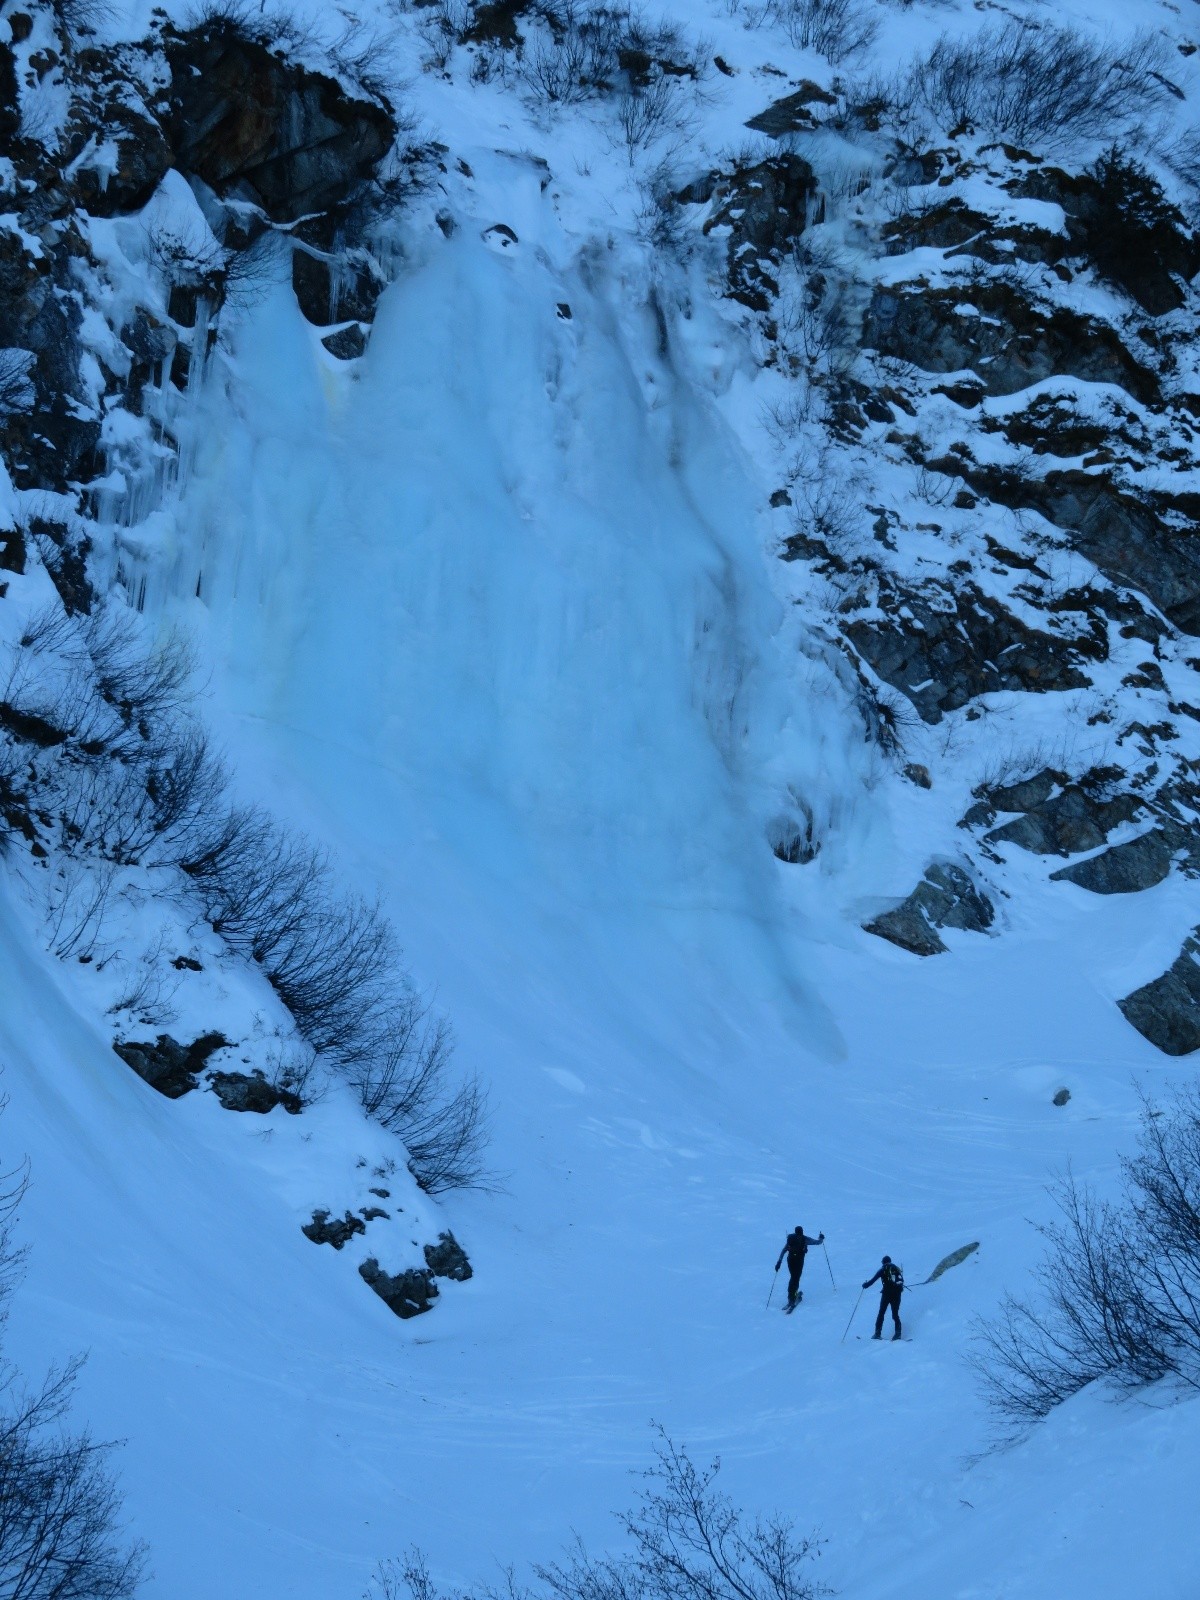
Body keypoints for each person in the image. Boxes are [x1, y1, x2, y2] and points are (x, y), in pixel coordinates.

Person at [775, 1224, 825, 1309]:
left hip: (790, 1260)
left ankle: (791, 1297)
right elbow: (817, 1242)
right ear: (802, 1232)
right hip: (798, 1261)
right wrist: (821, 1238)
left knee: (793, 1277)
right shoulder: (804, 1239)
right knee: (796, 1278)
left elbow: (784, 1250)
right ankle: (792, 1297)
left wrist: (779, 1262)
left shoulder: (791, 1239)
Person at [862, 1255, 904, 1340]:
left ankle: (877, 1333)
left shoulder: (883, 1269)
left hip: (886, 1294)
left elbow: (873, 1280)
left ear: (883, 1262)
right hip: (897, 1293)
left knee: (881, 1313)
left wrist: (865, 1285)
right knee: (895, 1314)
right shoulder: (896, 1269)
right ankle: (898, 1333)